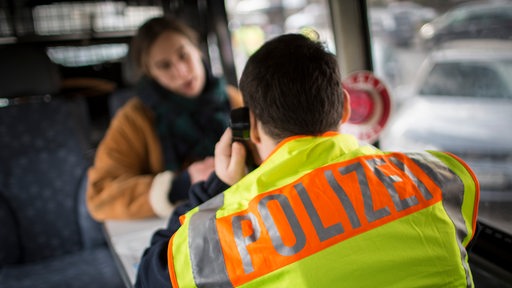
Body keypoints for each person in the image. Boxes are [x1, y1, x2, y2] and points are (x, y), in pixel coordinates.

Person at [135, 34, 480, 287]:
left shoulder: (228, 235)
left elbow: (150, 274)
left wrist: (217, 186)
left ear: (250, 127)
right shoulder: (437, 175)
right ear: (345, 107)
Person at [86, 16, 242, 220]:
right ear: (150, 73)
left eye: (184, 55)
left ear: (198, 50)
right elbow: (100, 197)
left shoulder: (234, 99)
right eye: (164, 65)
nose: (181, 71)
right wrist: (179, 186)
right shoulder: (134, 119)